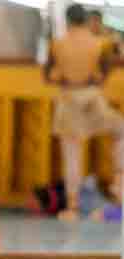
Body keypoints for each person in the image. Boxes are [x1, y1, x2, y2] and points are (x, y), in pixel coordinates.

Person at [45, 3, 124, 221]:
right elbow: (105, 70)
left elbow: (48, 75)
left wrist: (63, 77)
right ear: (87, 21)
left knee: (72, 154)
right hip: (92, 98)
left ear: (68, 21)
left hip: (69, 98)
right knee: (121, 131)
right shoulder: (100, 43)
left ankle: (72, 207)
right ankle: (120, 186)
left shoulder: (58, 44)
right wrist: (96, 78)